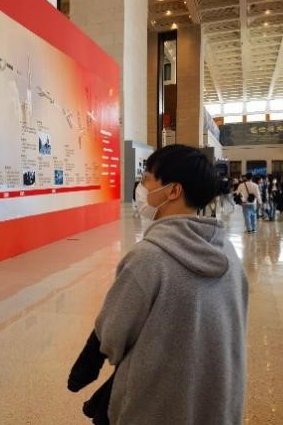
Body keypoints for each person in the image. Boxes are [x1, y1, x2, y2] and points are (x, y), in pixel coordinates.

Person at [68, 145, 248, 424]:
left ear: (173, 191)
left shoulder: (148, 258)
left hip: (155, 406)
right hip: (215, 403)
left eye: (147, 179)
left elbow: (113, 335)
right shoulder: (228, 253)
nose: (140, 188)